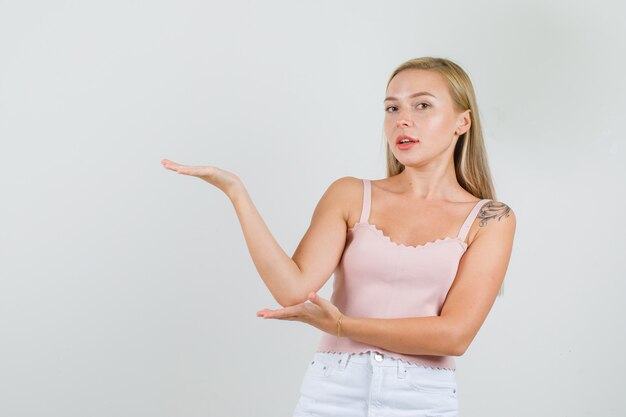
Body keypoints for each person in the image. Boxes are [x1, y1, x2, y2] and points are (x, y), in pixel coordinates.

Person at [161, 56, 515, 417]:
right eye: (392, 108)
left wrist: (344, 326)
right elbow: (294, 291)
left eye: (422, 105)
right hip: (332, 392)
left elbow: (455, 336)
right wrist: (236, 193)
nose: (402, 120)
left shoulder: (489, 219)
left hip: (422, 398)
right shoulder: (349, 194)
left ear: (462, 122)